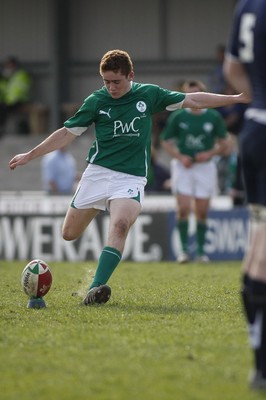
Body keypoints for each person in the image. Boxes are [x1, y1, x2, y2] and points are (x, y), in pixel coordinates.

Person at [9, 49, 248, 306]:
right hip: (98, 173)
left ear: (130, 75)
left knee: (121, 224)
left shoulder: (149, 94)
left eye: (116, 81)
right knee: (69, 233)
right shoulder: (96, 101)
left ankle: (95, 288)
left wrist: (235, 97)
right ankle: (95, 250)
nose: (111, 87)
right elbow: (67, 133)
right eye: (106, 81)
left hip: (130, 177)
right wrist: (29, 155)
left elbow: (194, 100)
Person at [223, 0, 266, 390]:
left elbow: (232, 68)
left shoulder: (247, 6)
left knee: (259, 240)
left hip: (254, 130)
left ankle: (259, 359)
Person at [160, 80, 229, 263]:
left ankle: (200, 252)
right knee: (183, 208)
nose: (193, 98)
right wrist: (179, 156)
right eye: (189, 95)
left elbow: (225, 144)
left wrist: (209, 153)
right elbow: (165, 141)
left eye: (197, 94)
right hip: (184, 167)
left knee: (202, 211)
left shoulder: (213, 117)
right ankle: (183, 251)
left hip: (205, 168)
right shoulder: (178, 116)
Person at [0, 56, 32, 135]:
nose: (8, 68)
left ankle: (1, 128)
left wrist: (9, 101)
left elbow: (19, 91)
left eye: (10, 65)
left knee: (3, 109)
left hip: (20, 100)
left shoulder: (21, 75)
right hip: (9, 101)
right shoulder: (8, 77)